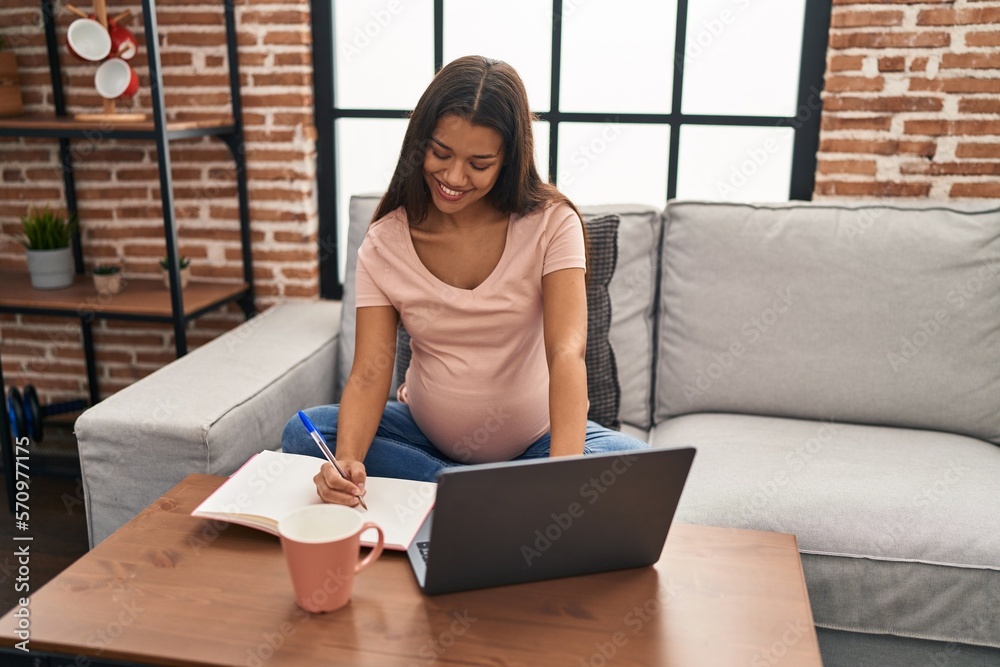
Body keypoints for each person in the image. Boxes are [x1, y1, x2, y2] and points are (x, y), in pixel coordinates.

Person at [282, 55, 647, 507]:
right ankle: (487, 497)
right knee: (304, 434)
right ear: (420, 143)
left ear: (509, 159)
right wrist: (348, 461)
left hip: (536, 445)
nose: (454, 177)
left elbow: (565, 352)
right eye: (440, 154)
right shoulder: (385, 241)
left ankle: (457, 494)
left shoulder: (552, 224)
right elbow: (371, 371)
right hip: (424, 439)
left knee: (635, 465)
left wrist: (563, 475)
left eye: (479, 163)